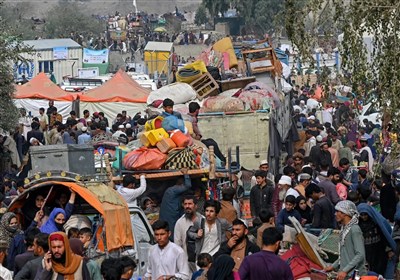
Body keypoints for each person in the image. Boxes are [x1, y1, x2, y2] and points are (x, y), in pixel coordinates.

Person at [324, 200, 367, 279]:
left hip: (355, 275)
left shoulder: (354, 229)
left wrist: (345, 270)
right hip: (346, 274)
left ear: (344, 213)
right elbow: (344, 255)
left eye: (337, 211)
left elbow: (360, 254)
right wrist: (333, 266)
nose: (335, 214)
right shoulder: (344, 229)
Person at [357, 203, 396, 278]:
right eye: (361, 215)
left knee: (379, 273)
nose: (364, 217)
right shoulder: (357, 225)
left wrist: (389, 250)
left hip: (378, 252)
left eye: (365, 214)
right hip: (365, 252)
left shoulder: (375, 223)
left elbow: (384, 235)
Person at [159, 168, 192, 237]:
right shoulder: (174, 190)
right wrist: (186, 174)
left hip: (169, 218)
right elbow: (188, 185)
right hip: (171, 218)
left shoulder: (172, 192)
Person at [174, 195, 204, 271]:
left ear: (196, 206)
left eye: (190, 204)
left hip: (202, 262)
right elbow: (177, 245)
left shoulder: (203, 220)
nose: (187, 206)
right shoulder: (180, 223)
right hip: (186, 264)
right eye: (185, 204)